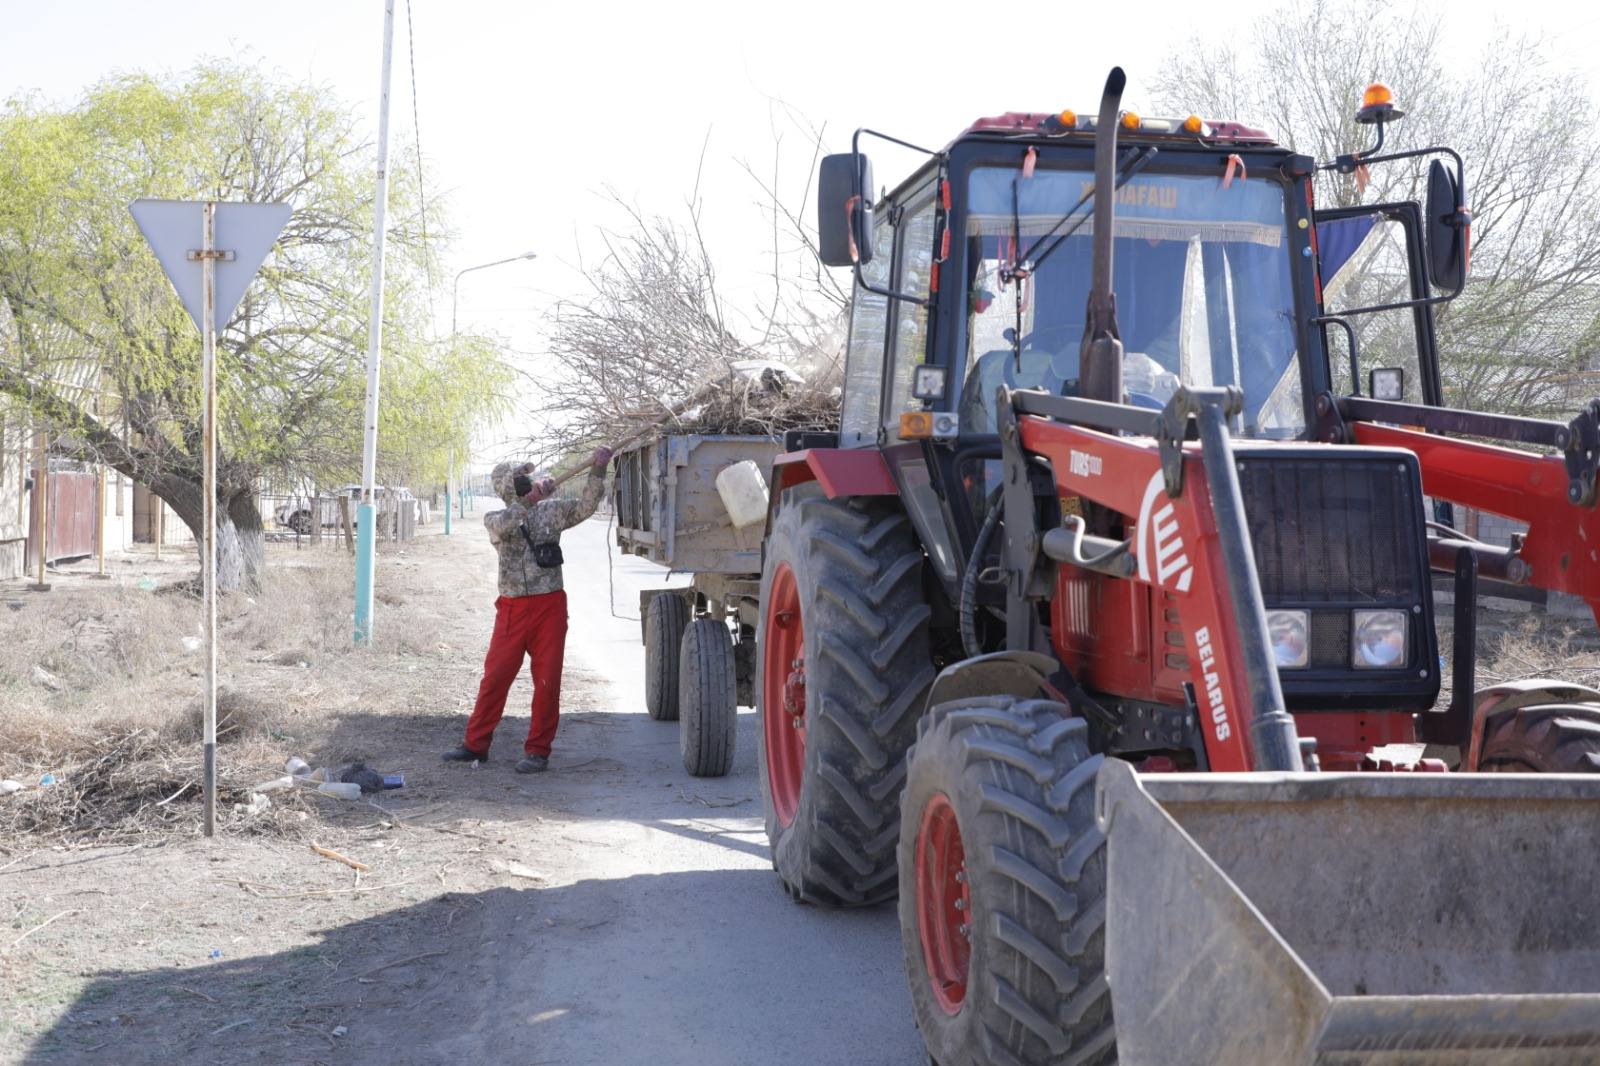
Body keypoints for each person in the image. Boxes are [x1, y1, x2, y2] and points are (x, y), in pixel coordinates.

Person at [443, 447, 611, 773]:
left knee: (547, 681)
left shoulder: (552, 511)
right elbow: (505, 525)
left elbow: (587, 507)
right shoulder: (496, 518)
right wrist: (529, 501)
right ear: (505, 487)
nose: (525, 480)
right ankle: (475, 745)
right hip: (511, 608)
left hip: (549, 605)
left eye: (526, 476)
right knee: (495, 678)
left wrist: (598, 471)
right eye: (518, 477)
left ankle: (538, 751)